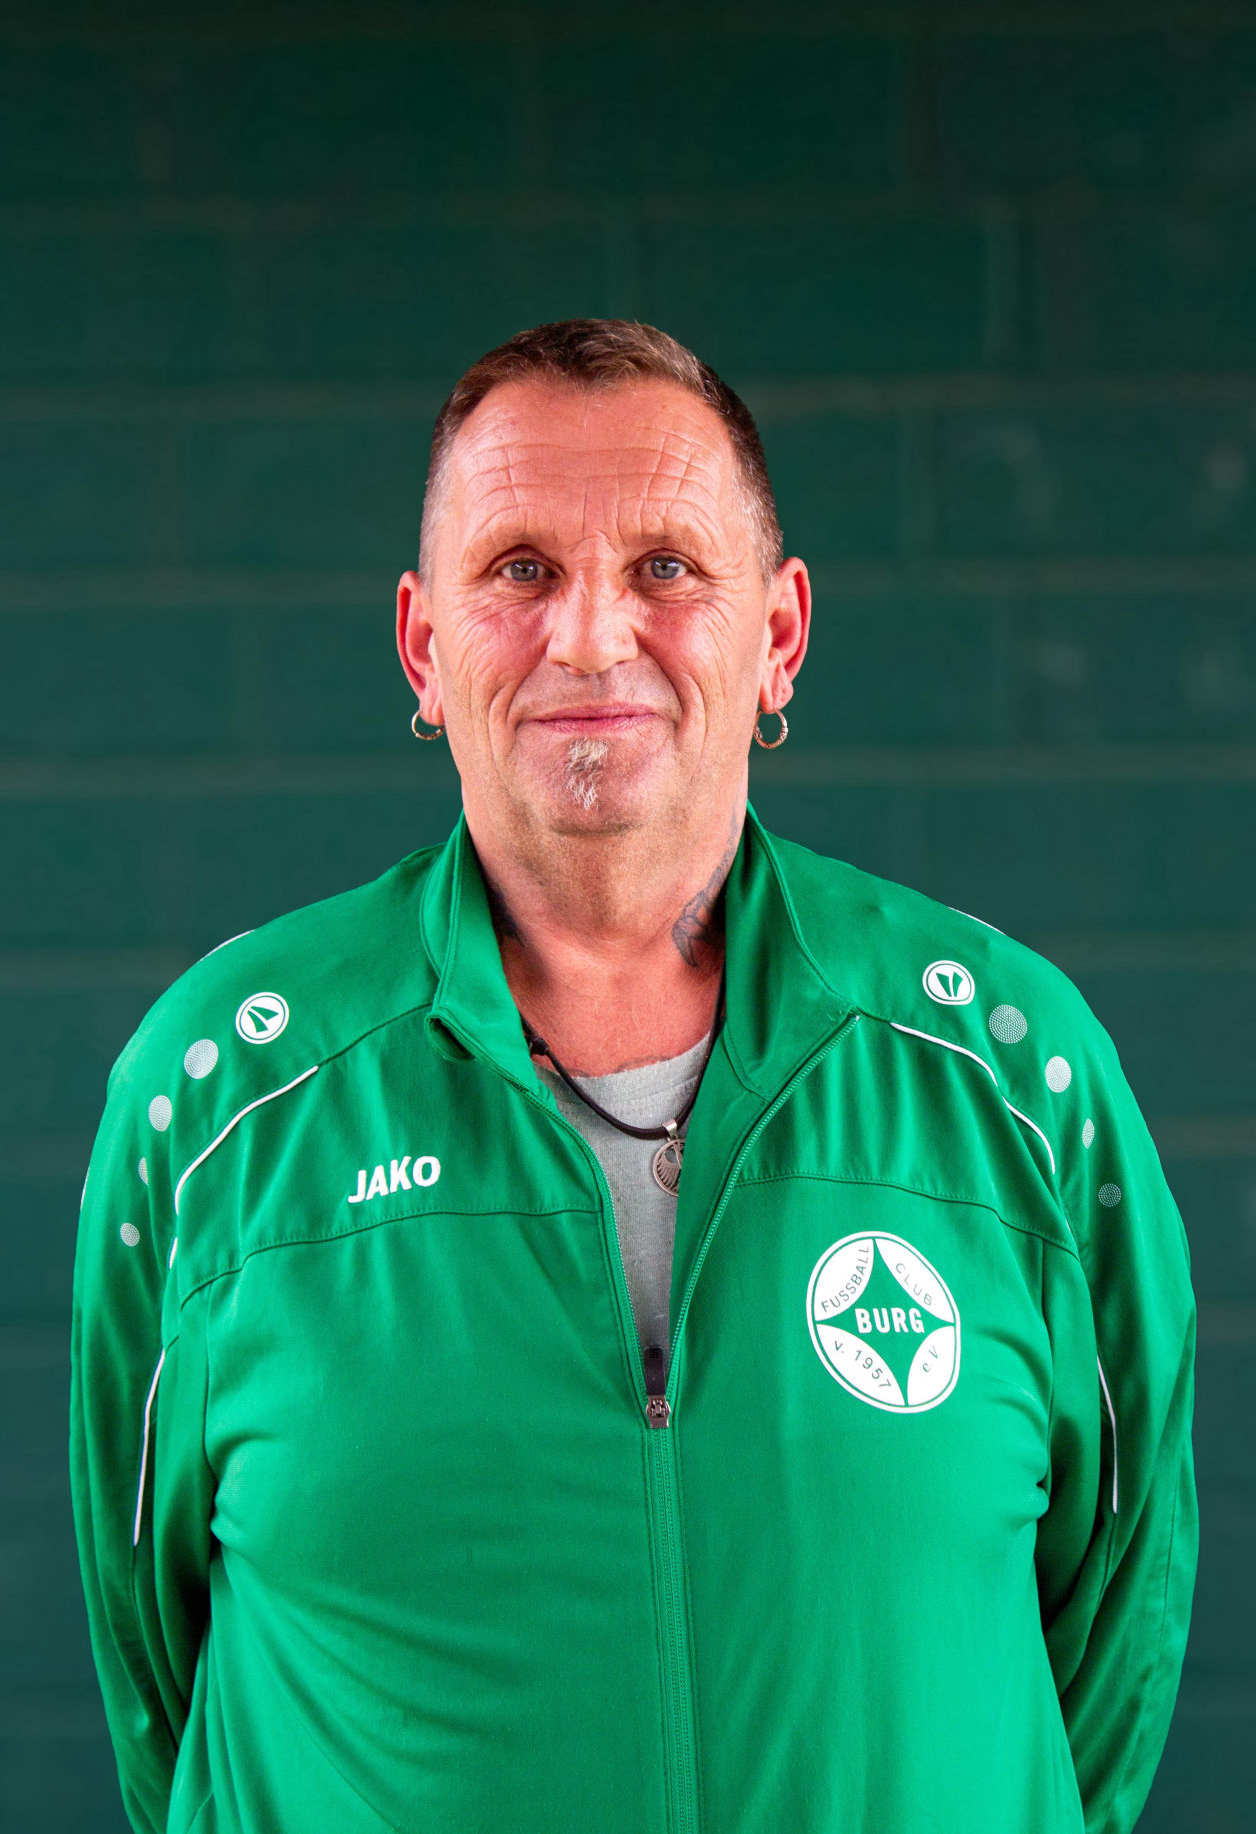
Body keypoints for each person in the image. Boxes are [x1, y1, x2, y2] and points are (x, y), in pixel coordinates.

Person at [71, 318, 1197, 1834]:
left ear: (779, 635)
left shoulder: (1013, 1074)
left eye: (667, 566)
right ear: (423, 644)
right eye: (520, 568)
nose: (593, 636)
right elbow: (161, 1672)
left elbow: (1110, 1639)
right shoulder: (218, 1101)